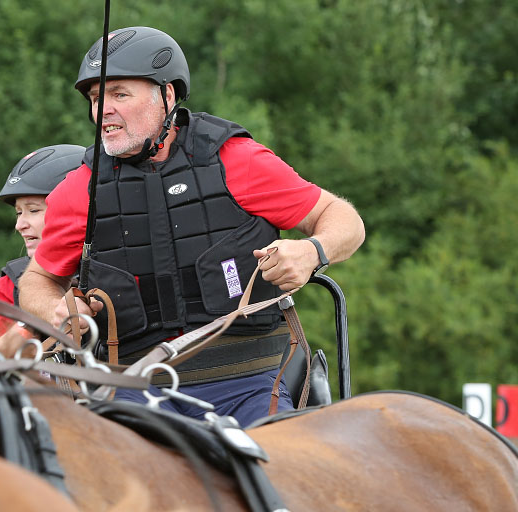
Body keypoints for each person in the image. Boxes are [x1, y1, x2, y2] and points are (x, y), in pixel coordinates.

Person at [18, 26, 365, 425]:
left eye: (119, 94)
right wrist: (58, 310)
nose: (102, 111)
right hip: (133, 388)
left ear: (166, 96)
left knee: (281, 472)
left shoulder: (237, 160)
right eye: (97, 98)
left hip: (248, 382)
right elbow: (35, 281)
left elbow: (345, 220)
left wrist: (311, 252)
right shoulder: (80, 189)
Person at [0, 144, 85, 356]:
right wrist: (27, 328)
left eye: (33, 210)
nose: (20, 225)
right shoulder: (11, 284)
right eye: (19, 213)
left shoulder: (114, 268)